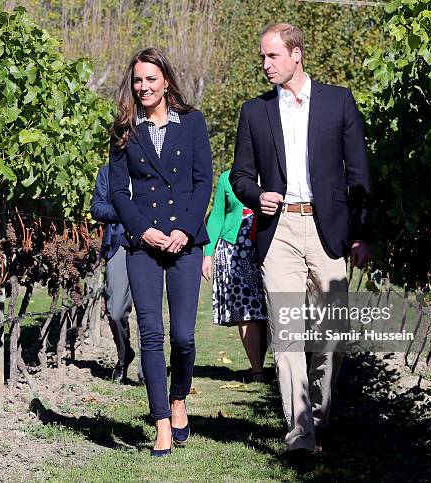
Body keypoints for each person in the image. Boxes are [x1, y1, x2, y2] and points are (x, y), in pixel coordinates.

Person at [230, 23, 372, 462]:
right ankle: (301, 433)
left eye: (272, 56)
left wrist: (362, 233)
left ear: (296, 54)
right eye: (262, 58)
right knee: (288, 333)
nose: (266, 65)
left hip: (328, 229)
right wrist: (257, 196)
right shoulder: (254, 112)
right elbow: (239, 176)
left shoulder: (338, 102)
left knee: (332, 334)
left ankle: (319, 411)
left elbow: (359, 175)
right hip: (281, 233)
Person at [108, 47, 212, 457]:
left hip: (185, 242)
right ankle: (162, 425)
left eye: (150, 79)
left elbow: (203, 180)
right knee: (151, 335)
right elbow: (118, 190)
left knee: (183, 337)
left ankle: (179, 397)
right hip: (142, 245)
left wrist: (185, 231)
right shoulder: (123, 129)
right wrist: (143, 230)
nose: (143, 86)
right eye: (137, 80)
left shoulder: (192, 123)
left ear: (165, 80)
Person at [202, 170, 267, 382]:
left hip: (266, 248)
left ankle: (260, 363)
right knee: (246, 309)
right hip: (234, 251)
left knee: (266, 311)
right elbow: (217, 216)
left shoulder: (273, 174)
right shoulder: (226, 178)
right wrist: (208, 254)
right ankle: (257, 369)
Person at [90, 164, 144, 385]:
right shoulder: (107, 172)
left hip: (149, 242)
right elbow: (96, 208)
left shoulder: (150, 165)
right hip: (118, 244)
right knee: (115, 311)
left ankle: (146, 370)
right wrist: (125, 212)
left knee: (146, 311)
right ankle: (124, 355)